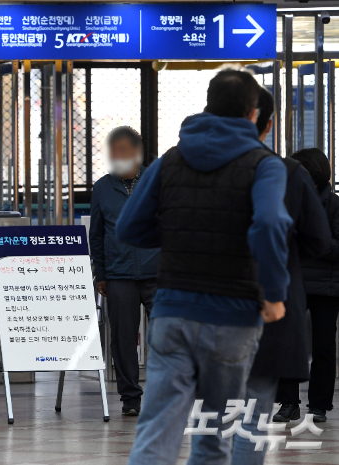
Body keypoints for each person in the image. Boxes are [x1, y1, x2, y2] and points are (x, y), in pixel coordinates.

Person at [116, 69, 292, 465]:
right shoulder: (263, 165)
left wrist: (181, 232)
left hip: (172, 312)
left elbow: (129, 226)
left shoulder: (170, 161)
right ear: (252, 114)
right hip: (232, 315)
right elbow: (268, 224)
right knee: (214, 434)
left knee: (156, 433)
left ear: (207, 107)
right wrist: (275, 294)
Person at [231, 88, 331, 464]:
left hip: (200, 307)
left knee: (208, 412)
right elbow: (319, 240)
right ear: (268, 124)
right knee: (254, 407)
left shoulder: (178, 164)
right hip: (269, 300)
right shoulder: (286, 172)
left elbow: (138, 229)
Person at [89, 126, 158, 416]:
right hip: (118, 274)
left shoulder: (158, 182)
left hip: (158, 271)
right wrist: (100, 273)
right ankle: (130, 397)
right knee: (123, 338)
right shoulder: (103, 187)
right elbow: (97, 234)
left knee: (165, 337)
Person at [274, 148, 339, 424]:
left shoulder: (335, 205)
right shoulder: (286, 201)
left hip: (326, 285)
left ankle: (319, 405)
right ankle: (288, 402)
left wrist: (315, 242)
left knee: (323, 346)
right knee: (287, 343)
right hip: (293, 282)